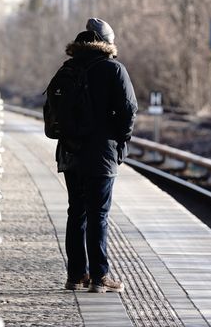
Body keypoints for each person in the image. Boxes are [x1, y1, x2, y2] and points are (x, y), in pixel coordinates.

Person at [61, 18, 137, 293]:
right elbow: (129, 109)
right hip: (101, 153)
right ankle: (99, 277)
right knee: (98, 215)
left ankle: (75, 276)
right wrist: (120, 138)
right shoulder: (113, 69)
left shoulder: (68, 68)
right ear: (108, 43)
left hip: (70, 152)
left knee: (76, 213)